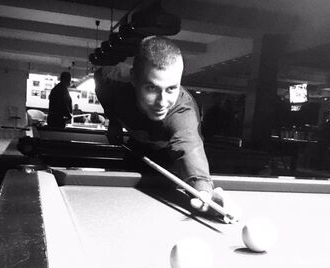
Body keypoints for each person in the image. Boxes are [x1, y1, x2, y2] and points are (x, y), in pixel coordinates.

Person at [94, 36, 233, 219]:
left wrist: (204, 191)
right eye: (152, 88)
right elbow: (100, 79)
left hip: (168, 157)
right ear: (134, 78)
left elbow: (189, 146)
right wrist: (113, 121)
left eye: (171, 89)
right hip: (135, 148)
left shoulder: (183, 111)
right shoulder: (113, 82)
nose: (162, 102)